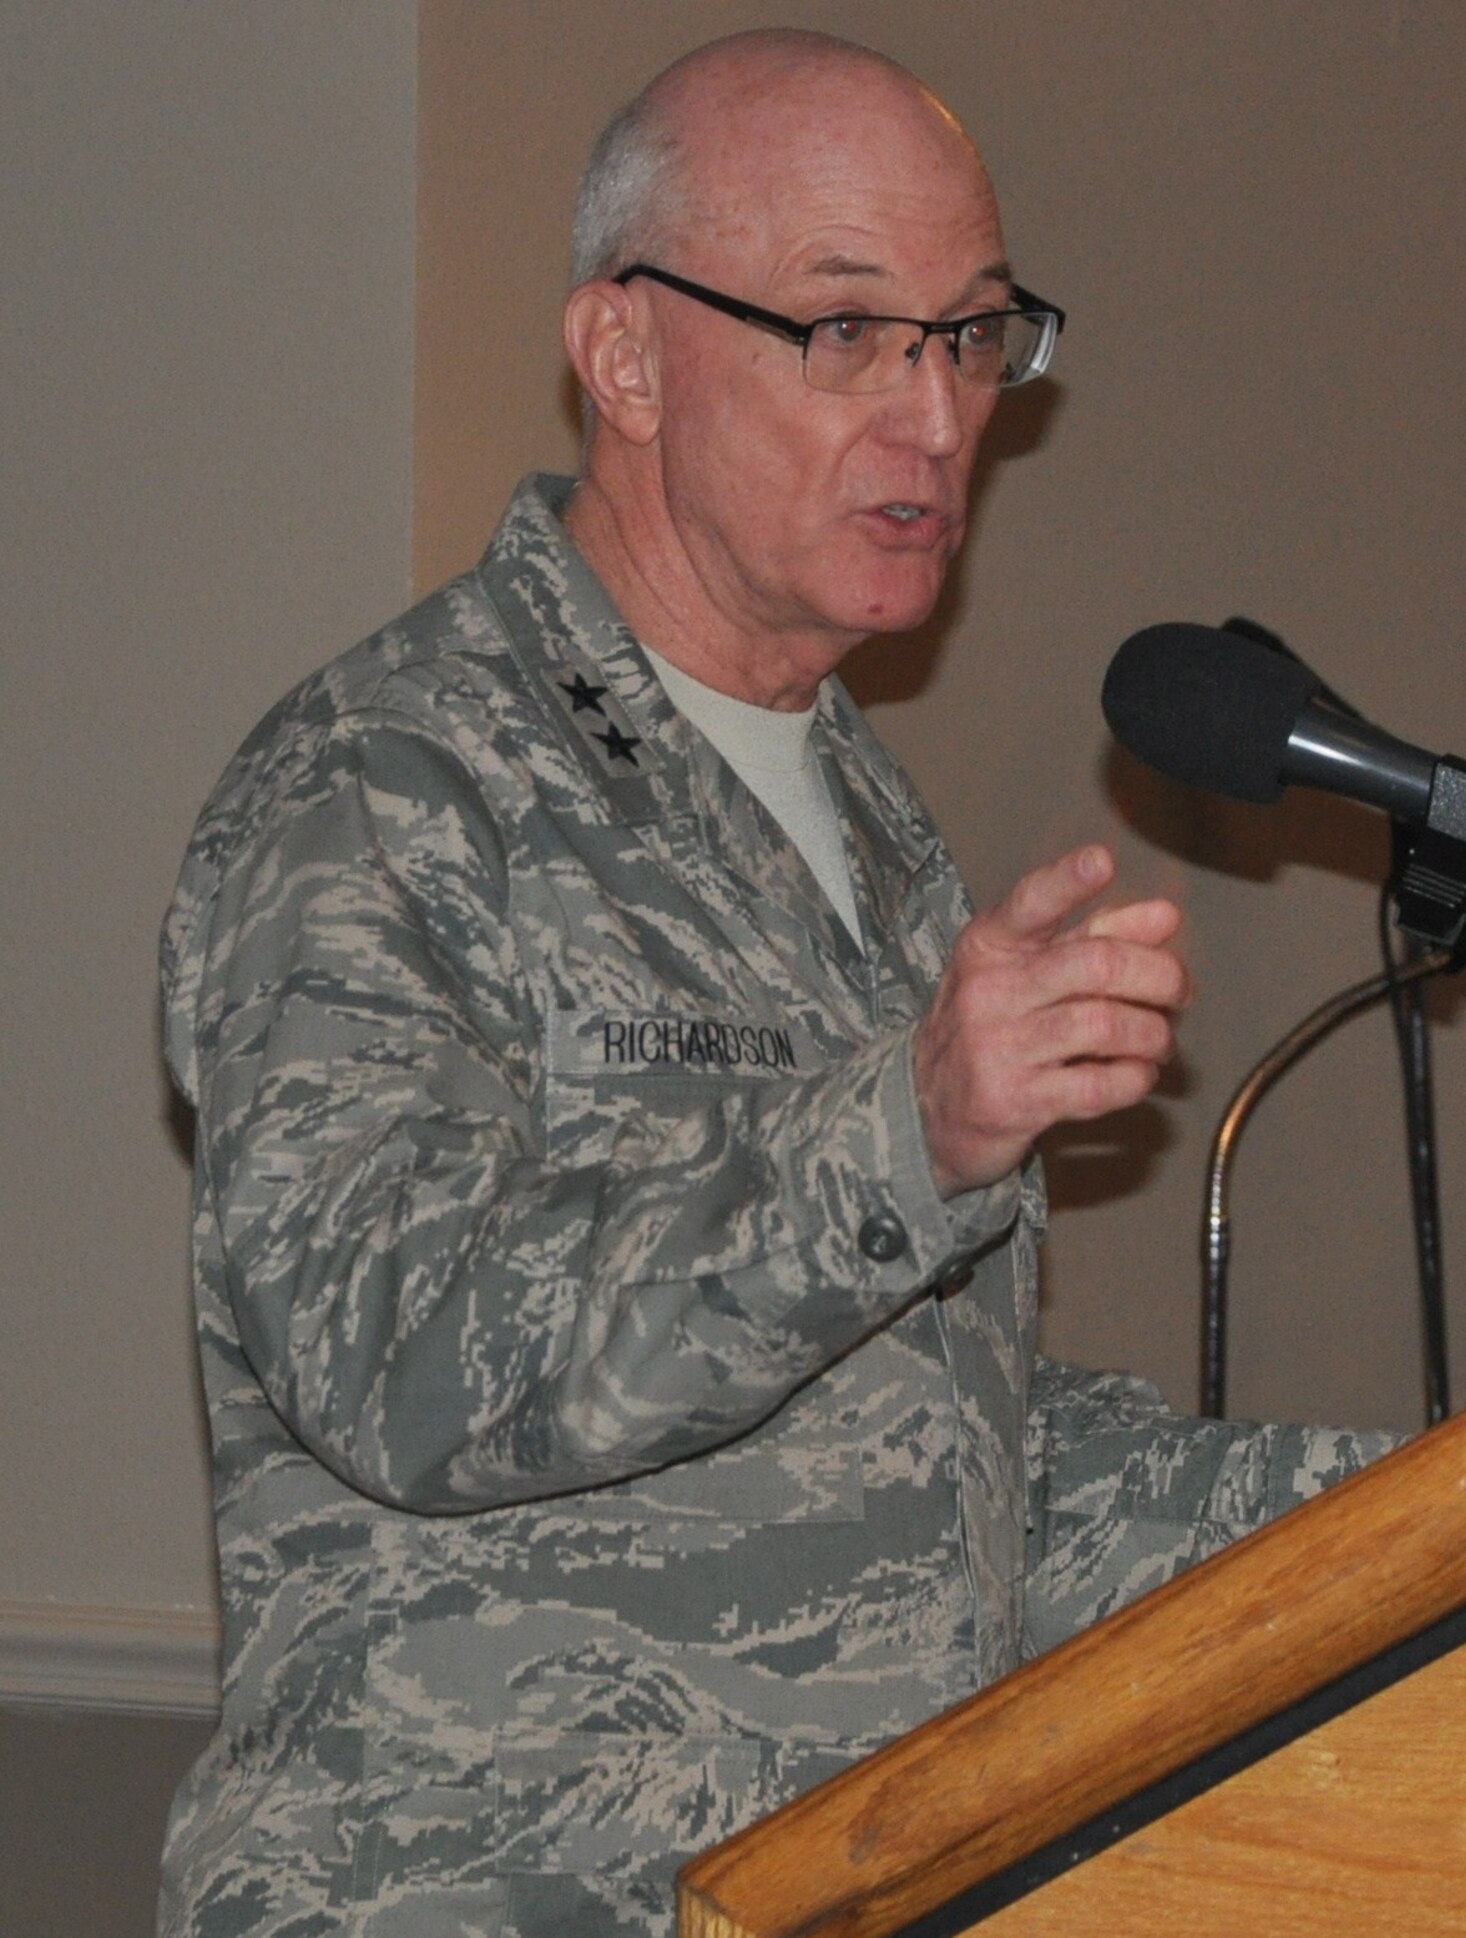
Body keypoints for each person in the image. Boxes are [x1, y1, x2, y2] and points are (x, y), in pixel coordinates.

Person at [157, 30, 1394, 1937]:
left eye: (973, 336)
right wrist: (898, 1127)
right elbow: (396, 1346)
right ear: (625, 355)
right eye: (843, 331)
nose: (932, 414)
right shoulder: (390, 782)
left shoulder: (875, 838)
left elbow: (931, 1461)